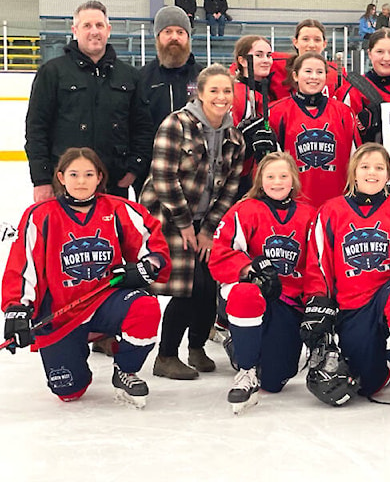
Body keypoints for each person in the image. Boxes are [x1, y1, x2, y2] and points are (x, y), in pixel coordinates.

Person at [2, 148, 170, 408]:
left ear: (99, 177)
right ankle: (79, 345)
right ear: (61, 177)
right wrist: (18, 309)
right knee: (69, 390)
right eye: (74, 174)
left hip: (105, 299)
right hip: (61, 311)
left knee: (145, 307)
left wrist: (148, 266)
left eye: (89, 174)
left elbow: (153, 245)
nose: (81, 181)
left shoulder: (119, 209)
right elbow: (23, 266)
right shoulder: (40, 215)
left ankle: (125, 369)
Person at [300, 143, 390, 409]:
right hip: (353, 302)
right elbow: (319, 264)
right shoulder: (330, 211)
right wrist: (318, 301)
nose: (372, 173)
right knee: (367, 382)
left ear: (388, 174)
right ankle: (388, 360)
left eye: (379, 167)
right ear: (354, 172)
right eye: (365, 167)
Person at [140, 64, 245, 380]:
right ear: (199, 94)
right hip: (170, 217)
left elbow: (230, 188)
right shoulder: (176, 124)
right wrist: (186, 226)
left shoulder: (234, 137)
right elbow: (163, 176)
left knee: (209, 284)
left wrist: (209, 229)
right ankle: (166, 355)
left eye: (226, 90)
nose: (221, 96)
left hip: (204, 223)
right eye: (213, 90)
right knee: (188, 287)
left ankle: (196, 347)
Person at [209, 152, 317, 412]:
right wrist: (250, 268)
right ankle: (245, 368)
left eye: (283, 176)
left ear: (294, 179)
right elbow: (219, 255)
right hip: (251, 293)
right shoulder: (244, 210)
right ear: (260, 180)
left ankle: (239, 344)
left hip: (288, 300)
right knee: (246, 295)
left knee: (274, 380)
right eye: (270, 176)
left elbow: (317, 265)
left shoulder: (310, 215)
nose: (277, 182)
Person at [25, 0, 153, 201]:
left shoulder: (129, 76)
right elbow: (36, 128)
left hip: (114, 184)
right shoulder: (52, 72)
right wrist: (41, 179)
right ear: (74, 30)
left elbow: (143, 127)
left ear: (108, 30)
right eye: (87, 26)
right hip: (64, 183)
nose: (94, 31)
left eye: (99, 25)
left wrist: (133, 169)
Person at [268, 52, 361, 209]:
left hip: (337, 204)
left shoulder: (344, 112)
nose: (314, 77)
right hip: (293, 206)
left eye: (320, 72)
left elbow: (356, 159)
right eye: (308, 71)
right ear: (296, 75)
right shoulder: (277, 111)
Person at [136, 6, 202, 198]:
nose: (174, 37)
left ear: (188, 38)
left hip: (196, 172)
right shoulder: (141, 79)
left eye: (180, 32)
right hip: (151, 171)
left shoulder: (203, 77)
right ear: (157, 37)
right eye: (168, 32)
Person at [334, 28, 390, 144]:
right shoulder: (350, 91)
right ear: (370, 54)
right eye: (380, 52)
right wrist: (359, 127)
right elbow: (341, 139)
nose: (386, 58)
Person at [231, 35, 279, 195]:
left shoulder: (269, 93)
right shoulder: (237, 93)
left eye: (269, 55)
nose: (266, 60)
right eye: (258, 55)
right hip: (240, 180)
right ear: (243, 61)